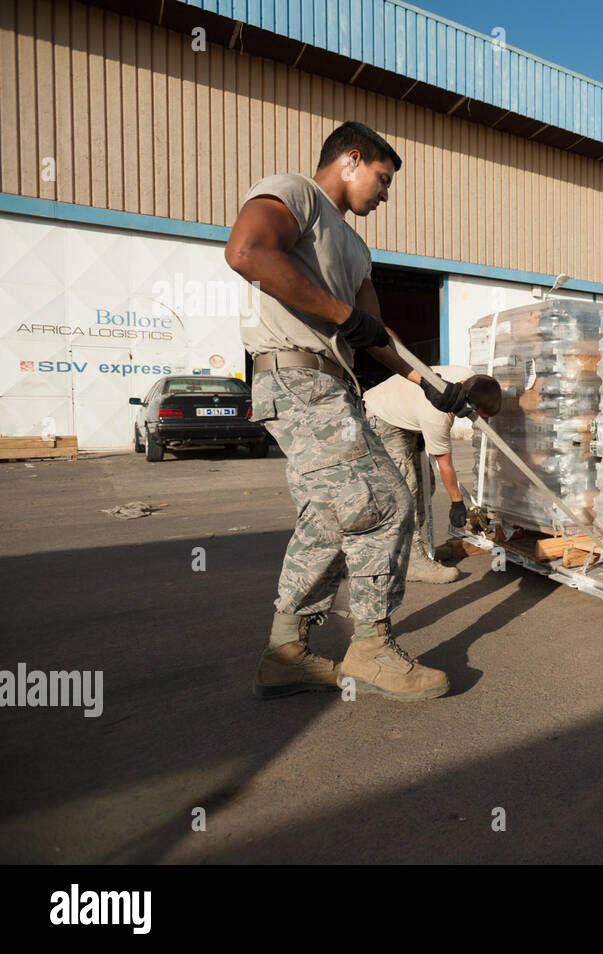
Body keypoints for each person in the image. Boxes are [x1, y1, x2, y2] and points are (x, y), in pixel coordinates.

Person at [225, 120, 472, 701]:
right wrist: (340, 315)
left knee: (330, 519)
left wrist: (430, 384)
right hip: (295, 376)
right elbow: (247, 251)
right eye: (383, 180)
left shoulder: (357, 247)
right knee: (386, 503)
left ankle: (285, 653)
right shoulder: (295, 194)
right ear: (352, 160)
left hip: (336, 387)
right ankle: (371, 649)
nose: (385, 194)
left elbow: (375, 334)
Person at [363, 369, 502, 583]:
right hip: (381, 415)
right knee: (405, 491)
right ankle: (411, 563)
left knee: (425, 484)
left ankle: (413, 547)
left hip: (406, 412)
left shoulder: (472, 380)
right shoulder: (438, 412)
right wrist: (456, 502)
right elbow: (444, 463)